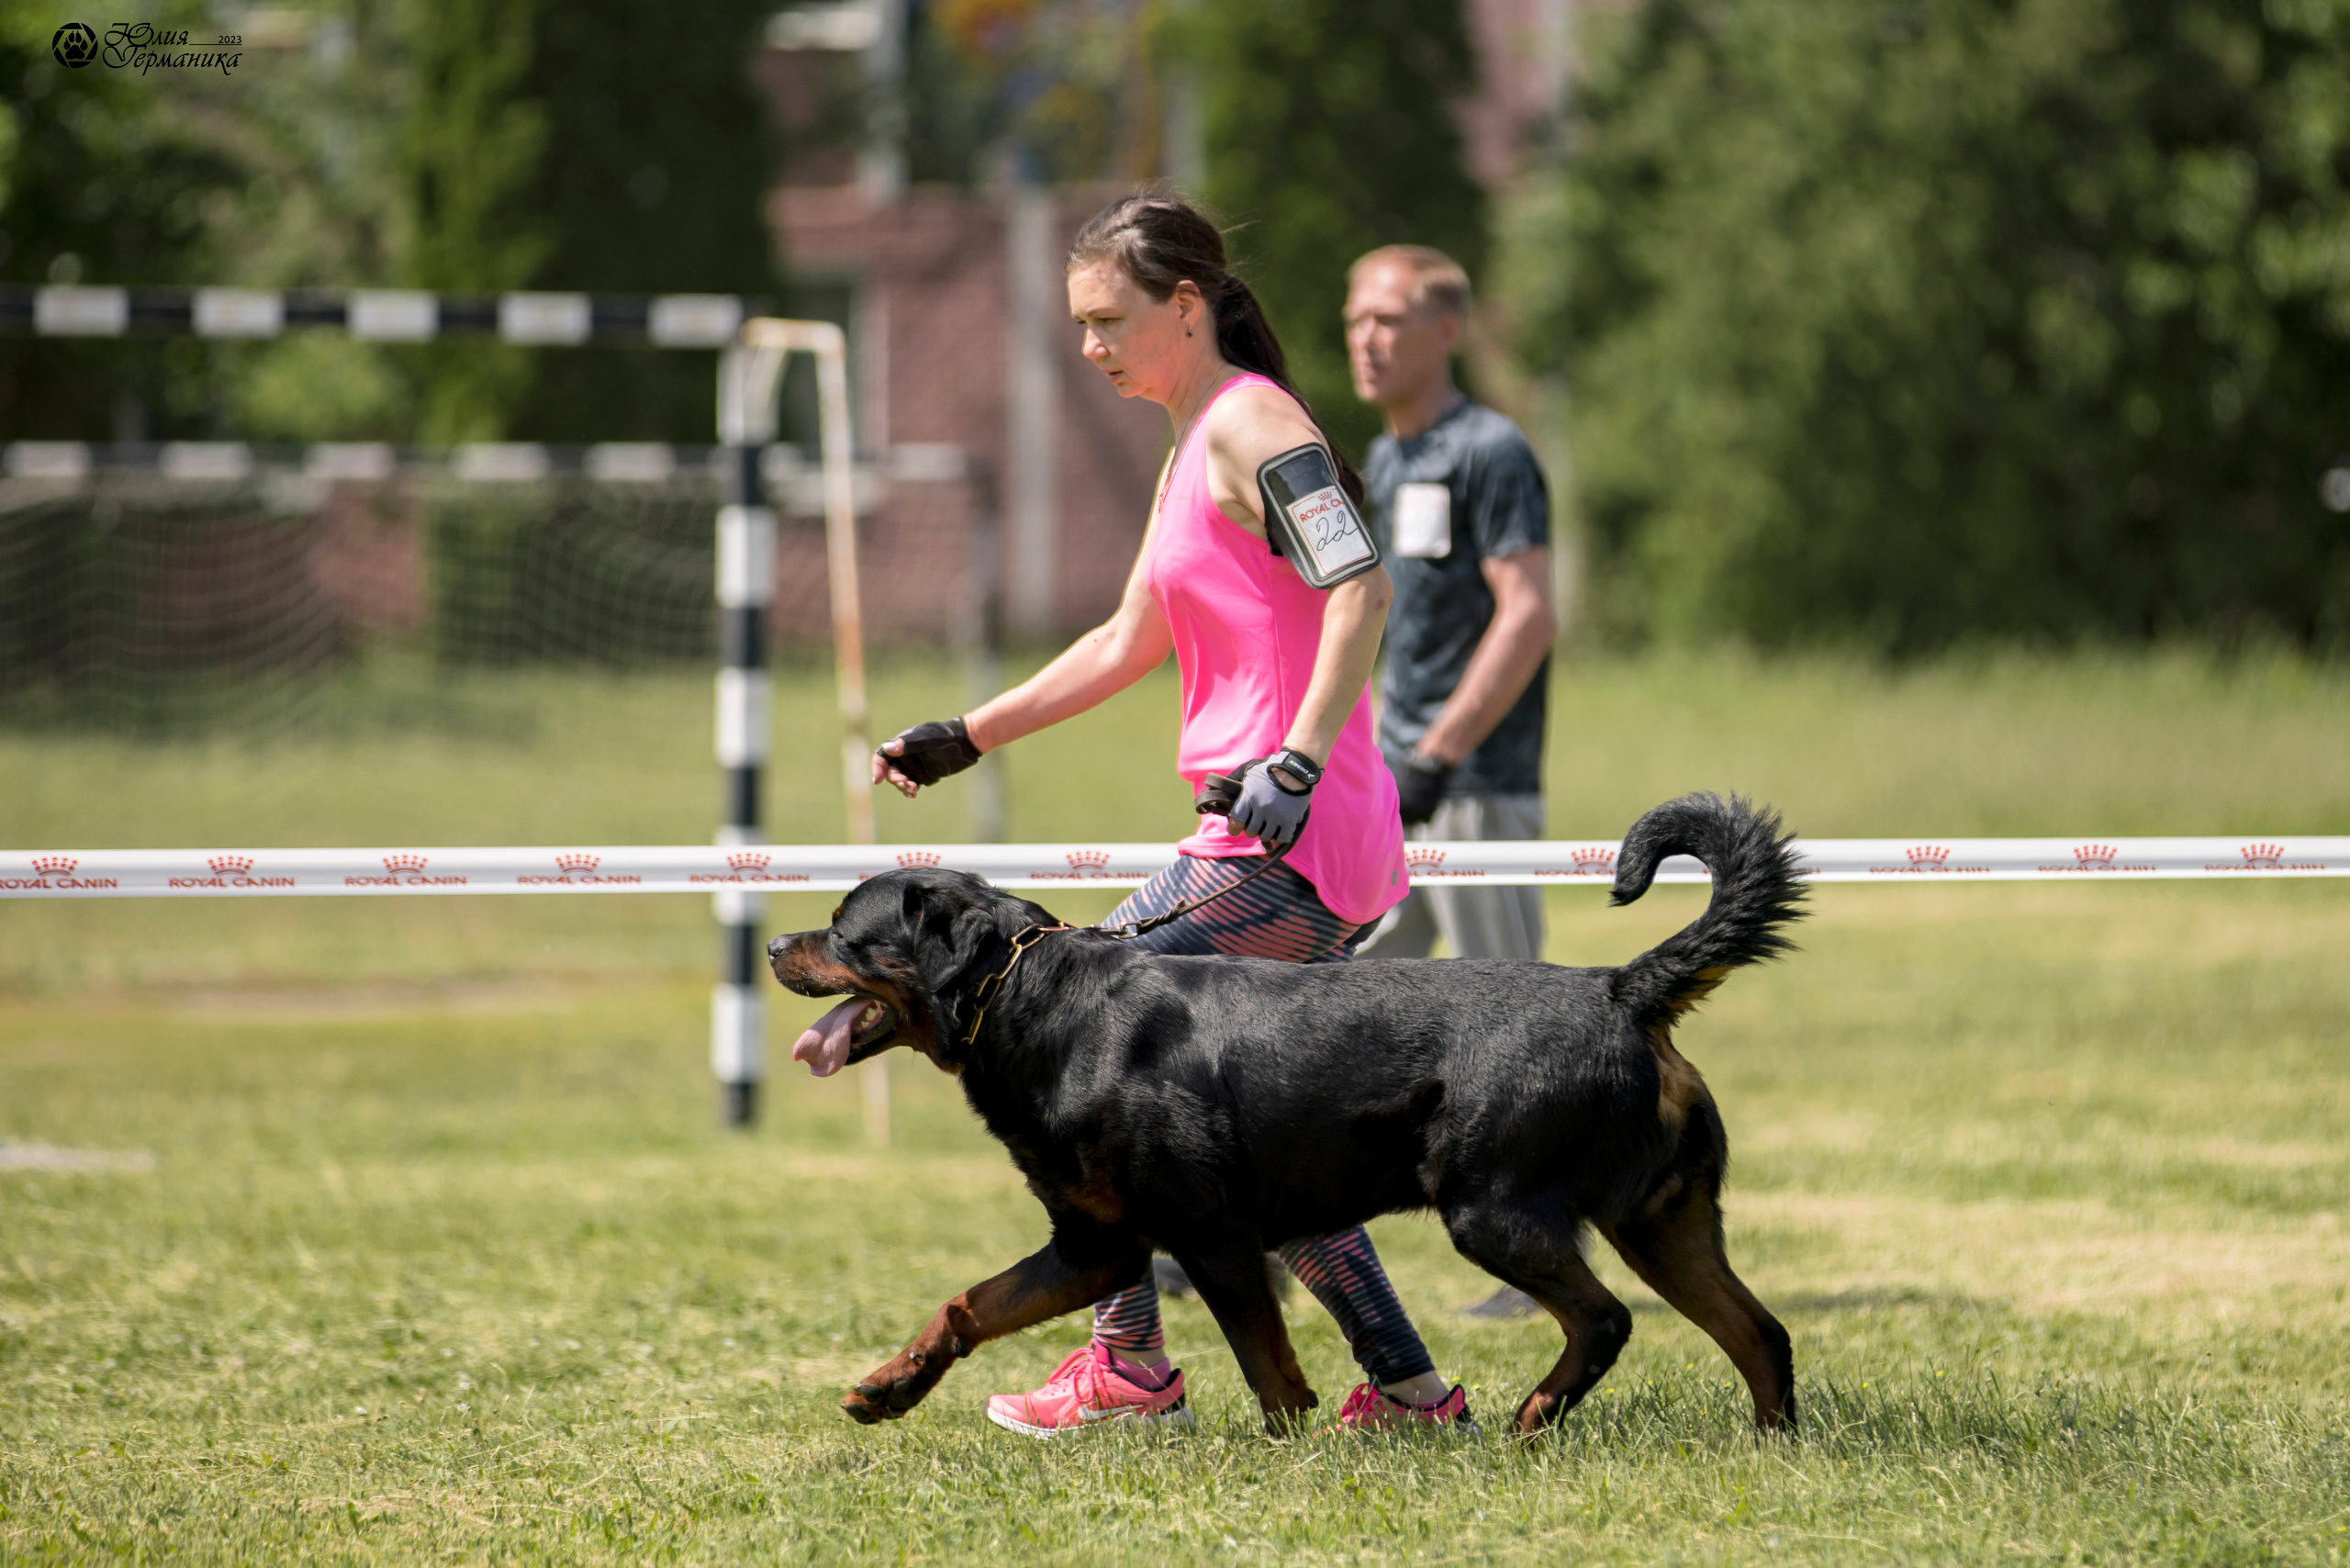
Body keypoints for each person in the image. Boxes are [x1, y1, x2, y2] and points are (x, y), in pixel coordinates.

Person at [863, 194, 1476, 1437]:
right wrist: (970, 734)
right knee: (1236, 1139)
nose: (1091, 346)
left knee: (1096, 1067)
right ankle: (1410, 1393)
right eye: (1079, 323)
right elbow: (1126, 637)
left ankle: (1131, 1370)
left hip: (1287, 840)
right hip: (1263, 839)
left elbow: (1360, 585)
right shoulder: (1196, 437)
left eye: (1110, 320)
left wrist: (1297, 764)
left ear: (1185, 308)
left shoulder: (1254, 425)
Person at [1342, 245, 1558, 1319]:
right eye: (1354, 320)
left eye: (1388, 319)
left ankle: (1535, 1257)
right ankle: (1266, 1228)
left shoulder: (1490, 451)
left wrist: (1440, 752)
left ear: (1445, 332)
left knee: (1506, 1021)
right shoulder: (1380, 463)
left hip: (1478, 784)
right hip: (1393, 784)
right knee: (1338, 994)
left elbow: (1526, 613)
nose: (1366, 339)